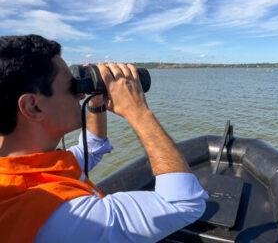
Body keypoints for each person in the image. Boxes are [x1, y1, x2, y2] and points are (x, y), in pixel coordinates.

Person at [0, 35, 208, 243]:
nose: (80, 95)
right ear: (33, 106)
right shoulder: (63, 217)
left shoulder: (23, 168)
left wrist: (97, 101)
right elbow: (184, 203)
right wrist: (137, 111)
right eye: (71, 87)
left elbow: (93, 147)